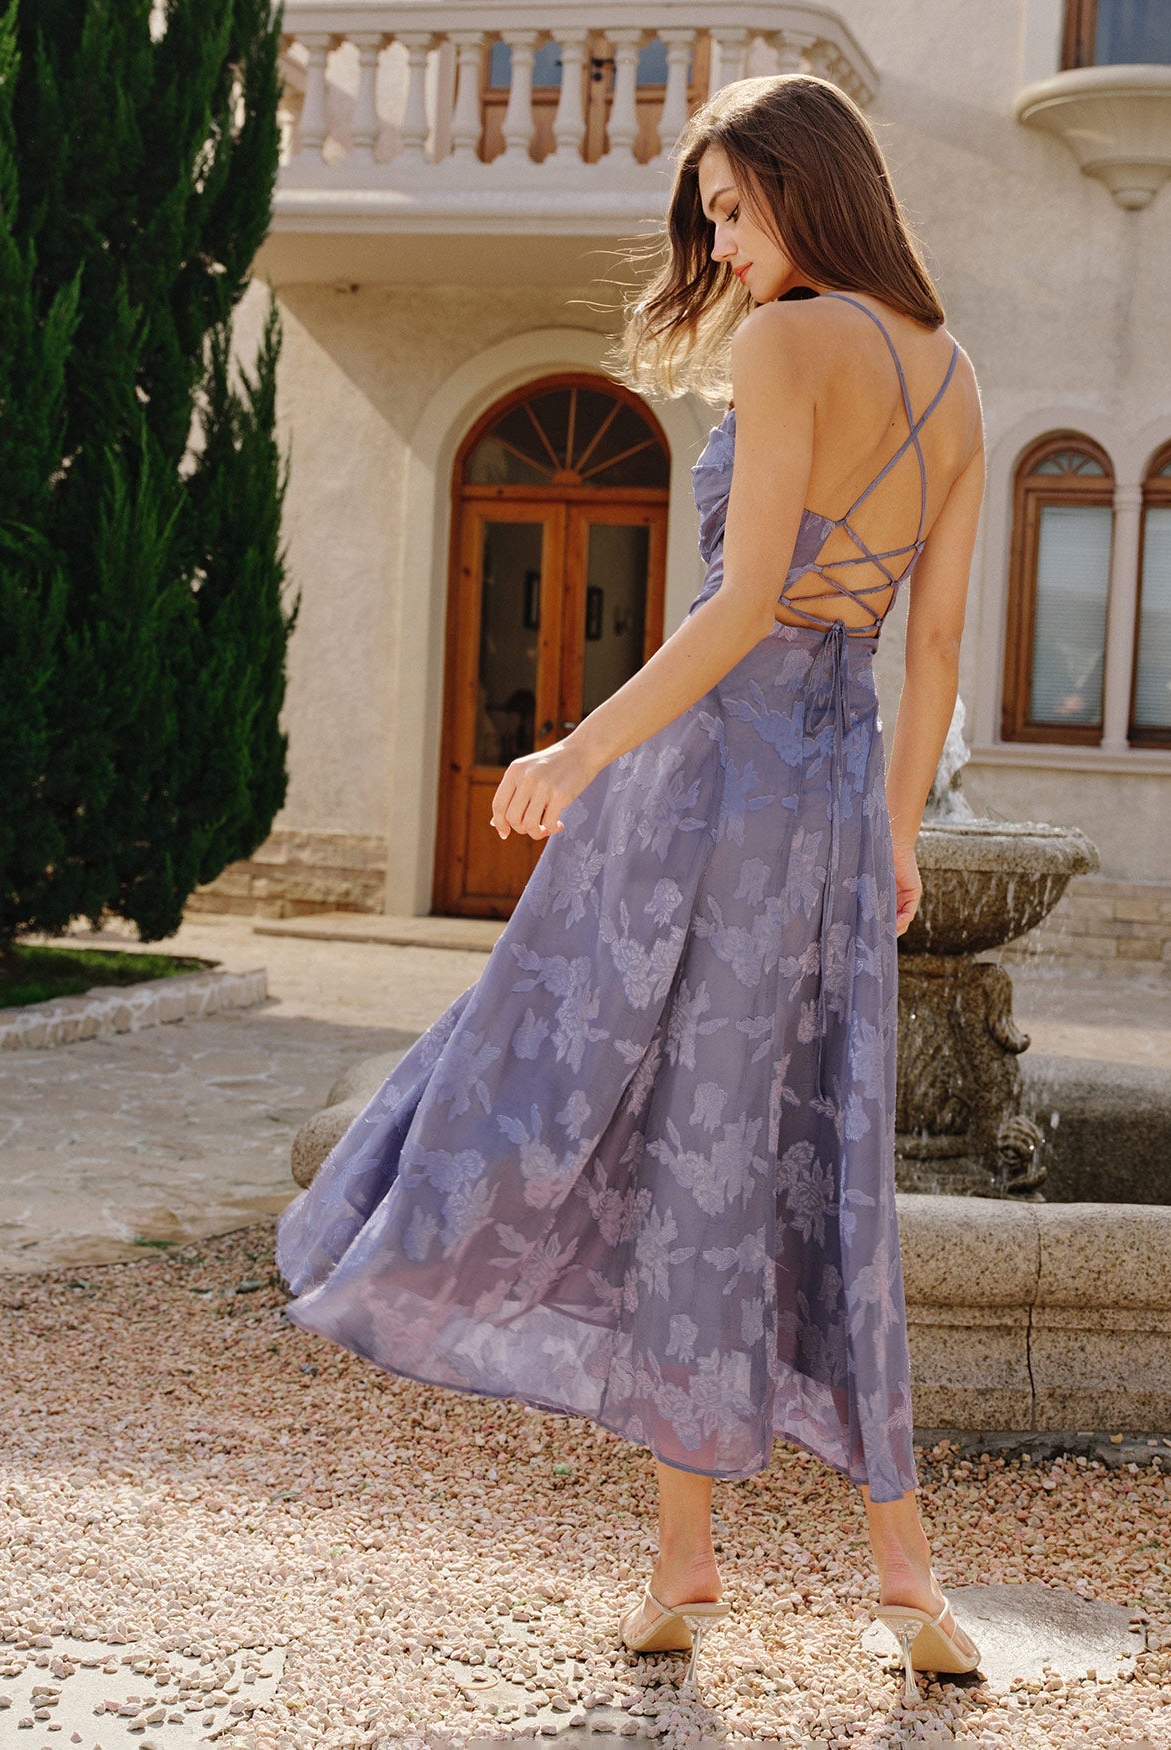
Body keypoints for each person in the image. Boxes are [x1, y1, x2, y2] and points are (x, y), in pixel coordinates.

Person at [275, 70, 986, 1705]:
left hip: (709, 791)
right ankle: (863, 1568)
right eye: (711, 216)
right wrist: (896, 832)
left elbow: (741, 608)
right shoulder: (955, 377)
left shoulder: (790, 345)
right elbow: (936, 646)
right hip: (830, 808)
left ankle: (689, 1551)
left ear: (812, 185)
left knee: (612, 1094)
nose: (722, 243)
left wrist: (579, 748)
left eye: (735, 207)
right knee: (811, 1151)